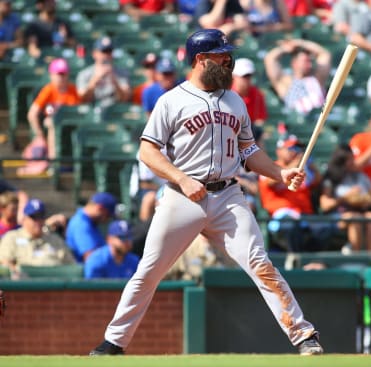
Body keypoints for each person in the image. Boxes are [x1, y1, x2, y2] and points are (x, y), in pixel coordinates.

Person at [89, 29, 323, 356]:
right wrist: (181, 178)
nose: (228, 62)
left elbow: (249, 150)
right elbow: (148, 151)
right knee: (149, 271)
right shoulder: (171, 100)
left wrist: (279, 173)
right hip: (183, 197)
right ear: (201, 59)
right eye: (222, 56)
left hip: (228, 196)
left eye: (228, 56)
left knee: (260, 263)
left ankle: (304, 336)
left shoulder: (235, 100)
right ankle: (113, 343)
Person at [258, 135, 333, 252]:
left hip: (304, 215)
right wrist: (297, 162)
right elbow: (270, 182)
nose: (295, 152)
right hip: (280, 215)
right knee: (291, 225)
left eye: (298, 149)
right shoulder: (271, 168)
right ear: (279, 151)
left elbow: (317, 182)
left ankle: (311, 261)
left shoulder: (303, 171)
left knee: (324, 227)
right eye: (291, 149)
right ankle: (295, 259)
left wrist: (312, 166)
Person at [319, 144, 371, 252]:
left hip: (362, 211)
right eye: (349, 160)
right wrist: (346, 197)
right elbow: (325, 205)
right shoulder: (332, 178)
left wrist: (365, 200)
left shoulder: (362, 176)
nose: (353, 162)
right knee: (355, 217)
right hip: (339, 215)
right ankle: (356, 255)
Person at [25, 58, 80, 172]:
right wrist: (39, 134)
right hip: (51, 128)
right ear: (51, 75)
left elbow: (80, 112)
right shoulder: (48, 90)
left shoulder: (73, 90)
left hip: (70, 126)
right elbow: (32, 114)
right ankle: (54, 163)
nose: (61, 77)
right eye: (58, 74)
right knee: (51, 122)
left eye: (63, 74)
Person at [0, 198, 75, 278]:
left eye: (41, 216)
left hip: (55, 285)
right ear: (24, 219)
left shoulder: (55, 239)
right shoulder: (12, 237)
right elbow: (5, 262)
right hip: (25, 286)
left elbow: (73, 267)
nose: (38, 221)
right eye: (34, 217)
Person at [264, 38, 331, 115]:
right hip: (298, 121)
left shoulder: (317, 78)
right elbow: (269, 59)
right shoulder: (286, 82)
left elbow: (324, 54)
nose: (310, 65)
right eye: (305, 61)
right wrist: (284, 49)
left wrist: (301, 43)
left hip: (320, 119)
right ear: (294, 63)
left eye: (310, 61)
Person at [76, 36, 131, 116]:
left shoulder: (122, 73)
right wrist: (95, 79)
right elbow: (82, 98)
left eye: (109, 51)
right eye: (103, 51)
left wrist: (114, 80)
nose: (107, 55)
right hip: (91, 113)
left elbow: (125, 99)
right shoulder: (84, 74)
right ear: (94, 54)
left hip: (115, 113)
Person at [65, 192, 118, 263]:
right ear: (100, 208)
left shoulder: (90, 222)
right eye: (108, 215)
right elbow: (91, 259)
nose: (107, 220)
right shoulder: (81, 224)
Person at [231, 57, 268, 126]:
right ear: (233, 76)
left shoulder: (257, 94)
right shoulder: (226, 94)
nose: (247, 79)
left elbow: (260, 120)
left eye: (249, 76)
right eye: (244, 76)